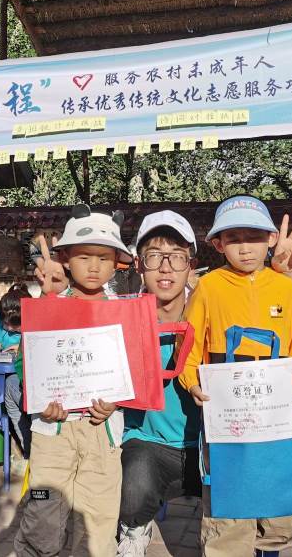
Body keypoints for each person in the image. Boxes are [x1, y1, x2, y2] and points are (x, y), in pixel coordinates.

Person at [178, 195, 292, 556]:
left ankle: (269, 546)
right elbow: (189, 347)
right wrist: (192, 383)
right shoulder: (209, 287)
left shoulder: (285, 287)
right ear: (218, 244)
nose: (244, 248)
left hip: (277, 413)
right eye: (233, 239)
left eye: (253, 237)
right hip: (228, 414)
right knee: (229, 504)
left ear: (270, 239)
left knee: (282, 508)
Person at [14, 205, 132, 557]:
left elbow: (135, 370)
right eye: (83, 256)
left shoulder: (125, 312)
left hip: (103, 431)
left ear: (116, 262)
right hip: (53, 432)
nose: (94, 266)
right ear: (65, 258)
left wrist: (117, 400)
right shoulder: (47, 308)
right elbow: (24, 364)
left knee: (98, 521)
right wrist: (40, 400)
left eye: (103, 258)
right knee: (42, 512)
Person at [117, 211, 202, 557]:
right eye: (154, 256)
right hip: (148, 441)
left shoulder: (210, 314)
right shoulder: (121, 318)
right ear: (139, 264)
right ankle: (134, 527)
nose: (166, 267)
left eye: (177, 256)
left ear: (191, 266)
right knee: (133, 486)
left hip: (207, 444)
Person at [0, 283, 32, 462]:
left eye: (15, 327)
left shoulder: (33, 319)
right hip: (1, 377)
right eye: (5, 324)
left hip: (20, 380)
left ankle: (28, 450)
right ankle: (28, 449)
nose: (9, 329)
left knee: (12, 388)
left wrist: (20, 347)